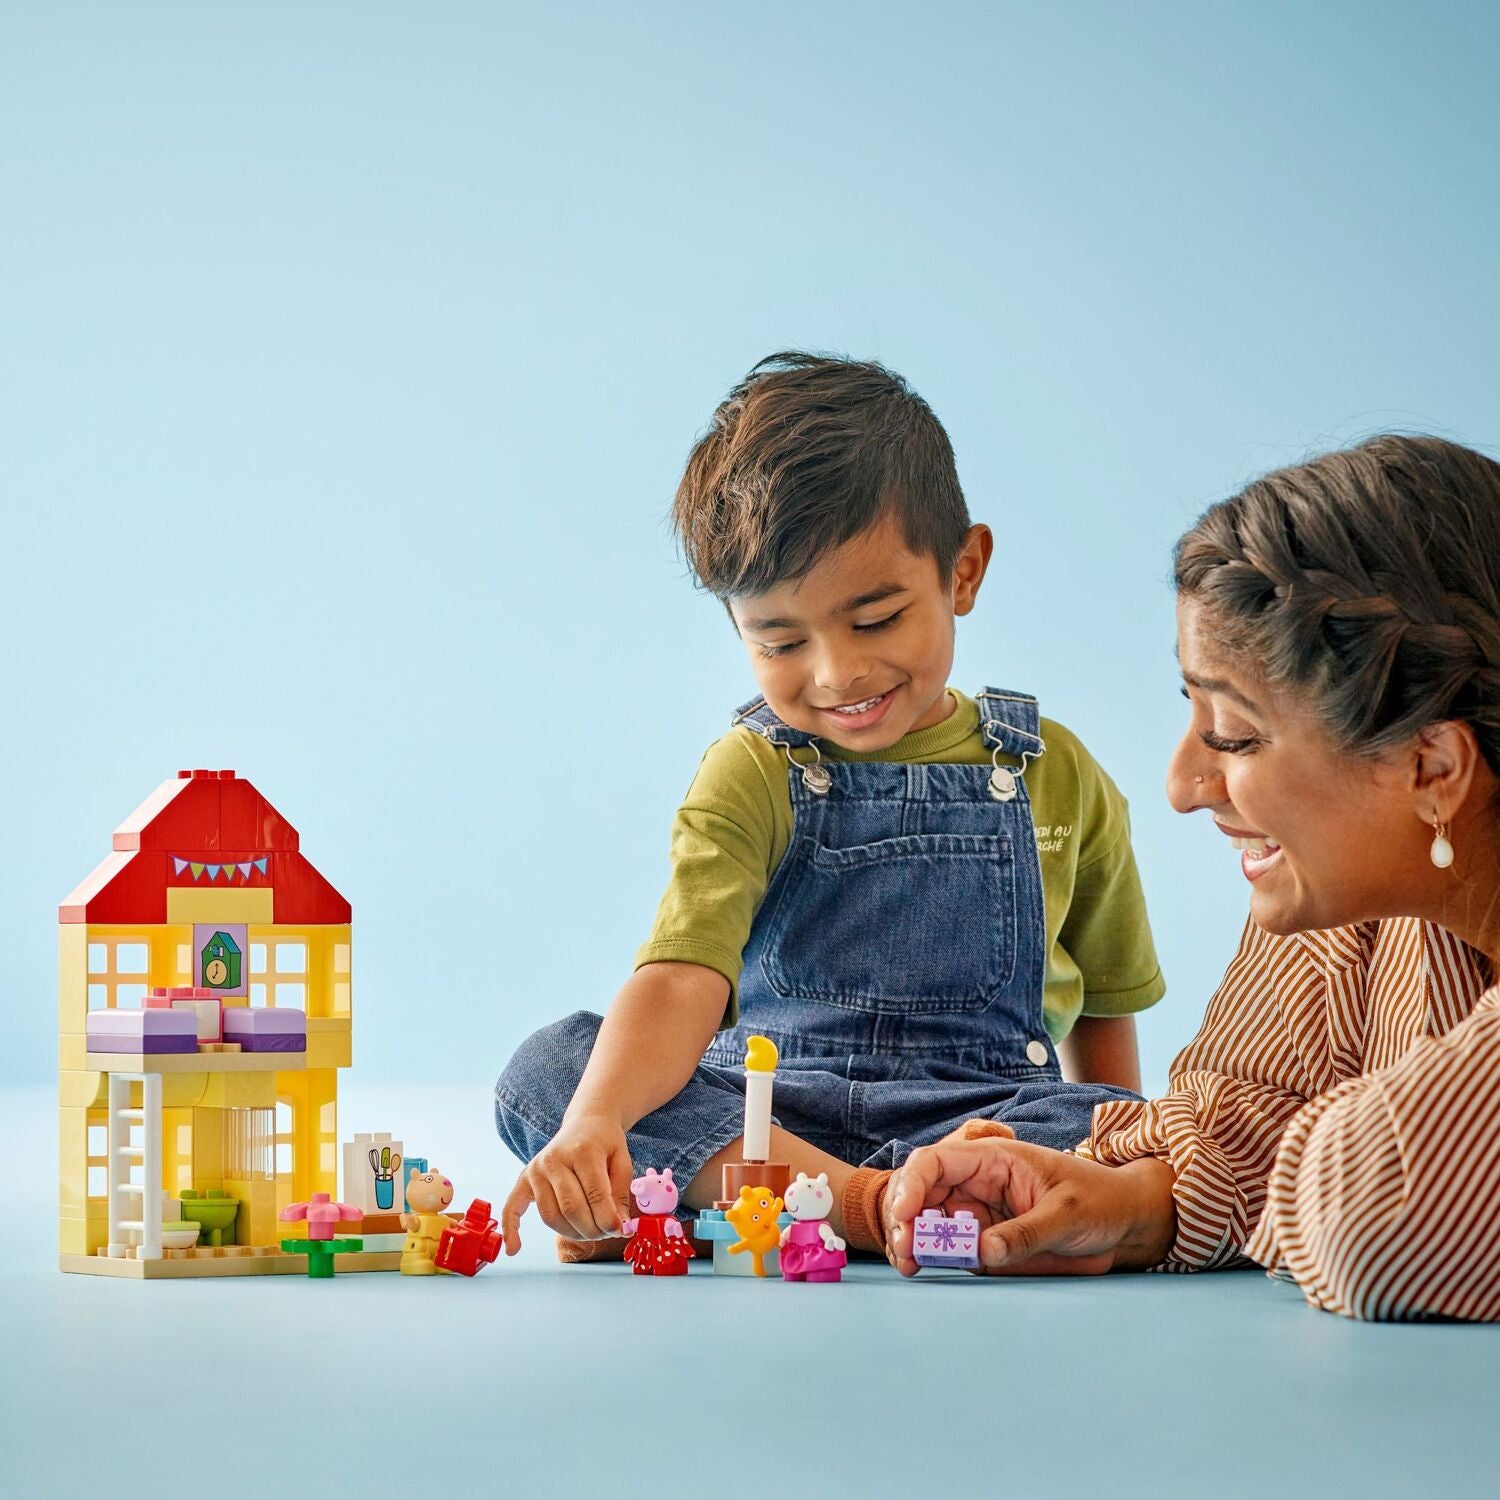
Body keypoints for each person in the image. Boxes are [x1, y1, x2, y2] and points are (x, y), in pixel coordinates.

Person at [494, 352, 1165, 1259]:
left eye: (876, 619)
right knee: (552, 1071)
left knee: (1142, 1131)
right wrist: (598, 1120)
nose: (837, 673)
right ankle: (867, 1206)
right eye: (780, 642)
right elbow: (682, 978)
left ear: (963, 571)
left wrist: (1114, 1155)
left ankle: (695, 1204)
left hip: (983, 1120)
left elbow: (1105, 1010)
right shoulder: (752, 770)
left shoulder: (1057, 773)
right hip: (772, 1119)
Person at [883, 434, 1500, 1322]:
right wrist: (1120, 1202)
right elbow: (1240, 1116)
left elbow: (1370, 1213)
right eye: (1194, 714)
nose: (1180, 786)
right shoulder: (1348, 896)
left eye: (1235, 736)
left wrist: (1291, 1178)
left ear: (1433, 767)